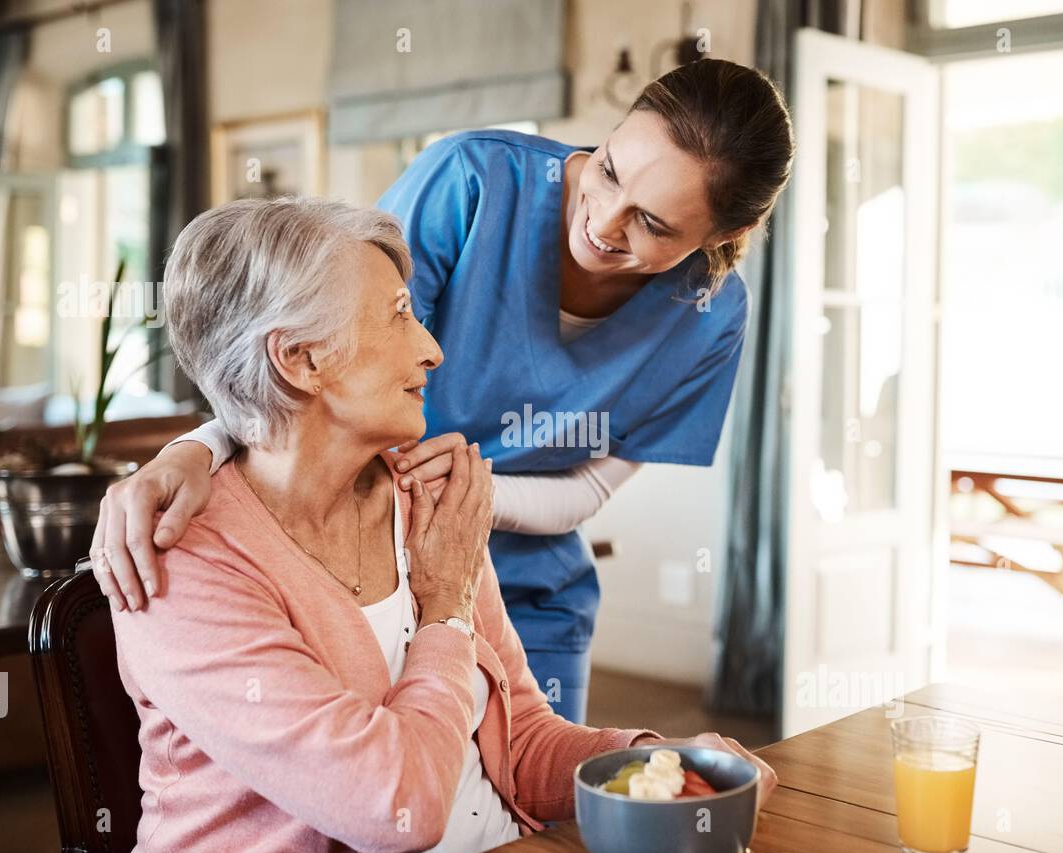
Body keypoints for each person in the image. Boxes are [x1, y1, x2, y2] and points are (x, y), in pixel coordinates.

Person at [93, 58, 795, 725]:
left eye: (652, 223)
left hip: (529, 588)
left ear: (727, 234)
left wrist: (465, 501)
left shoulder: (710, 319)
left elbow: (589, 490)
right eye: (608, 170)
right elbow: (309, 350)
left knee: (535, 823)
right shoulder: (471, 182)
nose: (603, 222)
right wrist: (197, 448)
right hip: (363, 562)